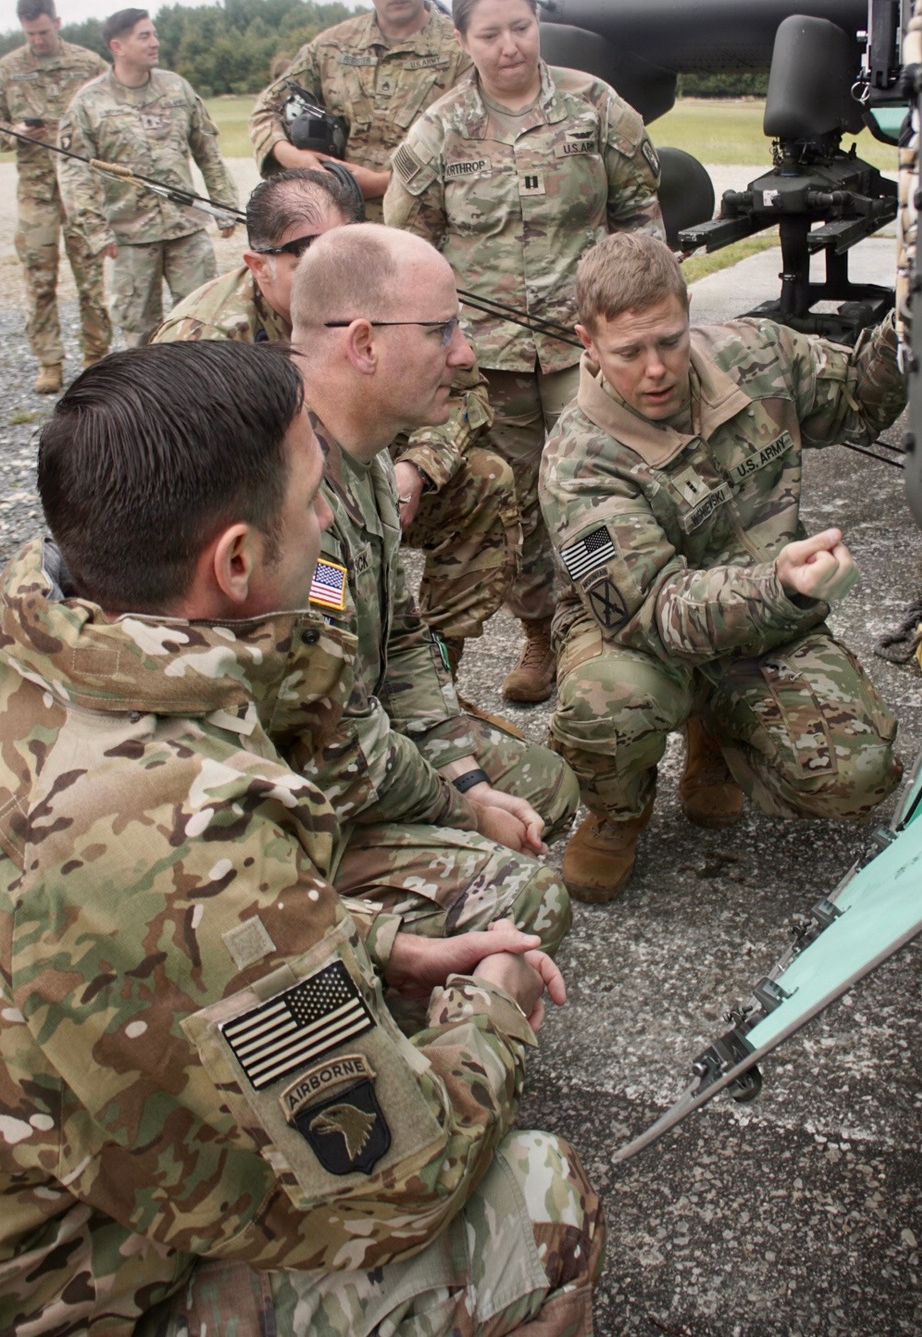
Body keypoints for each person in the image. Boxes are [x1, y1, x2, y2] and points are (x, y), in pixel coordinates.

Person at [0, 341, 603, 1333]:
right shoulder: (192, 835)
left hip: (56, 1135)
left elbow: (140, 955)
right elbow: (401, 1185)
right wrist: (492, 1010)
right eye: (312, 500)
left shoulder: (55, 632)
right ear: (234, 560)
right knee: (536, 1210)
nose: (329, 521)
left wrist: (373, 948)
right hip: (79, 1274)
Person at [539, 232, 907, 903]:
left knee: (859, 778)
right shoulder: (578, 461)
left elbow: (859, 398)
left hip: (763, 622)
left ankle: (717, 729)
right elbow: (653, 610)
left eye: (669, 341)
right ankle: (619, 810)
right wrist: (780, 586)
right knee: (605, 709)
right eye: (628, 352)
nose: (655, 369)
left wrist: (908, 327)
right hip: (639, 635)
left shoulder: (756, 354)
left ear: (689, 317)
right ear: (587, 345)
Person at [384, 0, 666, 705]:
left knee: (599, 486)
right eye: (489, 33)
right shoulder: (438, 130)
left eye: (521, 26)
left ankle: (603, 626)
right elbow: (408, 247)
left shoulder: (596, 107)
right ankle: (540, 635)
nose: (509, 45)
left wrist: (642, 315)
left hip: (586, 346)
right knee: (519, 499)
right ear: (462, 38)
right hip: (491, 356)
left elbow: (640, 214)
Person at [290, 224, 580, 862]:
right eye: (440, 330)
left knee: (548, 788)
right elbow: (326, 736)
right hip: (290, 774)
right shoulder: (286, 502)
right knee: (522, 900)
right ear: (363, 344)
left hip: (356, 723)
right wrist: (466, 811)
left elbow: (399, 637)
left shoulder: (361, 457)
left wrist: (465, 774)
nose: (466, 354)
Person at [154, 167, 520, 670]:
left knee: (484, 480)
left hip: (377, 480)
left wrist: (416, 467)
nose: (337, 267)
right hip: (273, 521)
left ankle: (430, 664)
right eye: (310, 255)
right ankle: (330, 681)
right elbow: (178, 496)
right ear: (259, 267)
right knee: (327, 579)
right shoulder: (201, 341)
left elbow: (467, 391)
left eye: (347, 244)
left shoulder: (387, 298)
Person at [249, 0, 471, 218]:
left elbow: (477, 154)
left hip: (426, 229)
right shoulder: (332, 47)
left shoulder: (461, 49)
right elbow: (266, 110)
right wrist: (293, 156)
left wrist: (383, 183)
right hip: (341, 228)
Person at [57, 7, 240, 344]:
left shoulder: (176, 89)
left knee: (202, 321)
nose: (155, 42)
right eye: (145, 36)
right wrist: (95, 231)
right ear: (118, 46)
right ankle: (146, 397)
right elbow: (73, 173)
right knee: (139, 331)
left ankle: (206, 393)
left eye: (154, 34)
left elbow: (207, 152)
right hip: (130, 238)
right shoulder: (88, 103)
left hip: (186, 228)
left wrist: (224, 205)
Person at [0, 0, 112, 392]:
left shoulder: (89, 64)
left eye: (43, 32)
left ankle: (95, 359)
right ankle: (49, 363)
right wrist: (15, 133)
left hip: (81, 193)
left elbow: (112, 114)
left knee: (90, 281)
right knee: (39, 280)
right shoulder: (8, 69)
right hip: (36, 194)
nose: (38, 40)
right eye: (30, 34)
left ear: (57, 22)